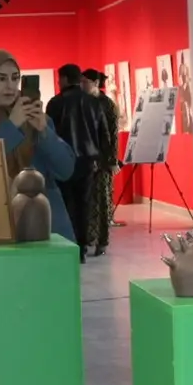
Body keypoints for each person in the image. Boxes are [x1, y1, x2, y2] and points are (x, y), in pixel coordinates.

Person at [0, 49, 76, 243]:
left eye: (15, 78)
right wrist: (11, 126)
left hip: (46, 226)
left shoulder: (36, 119)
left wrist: (44, 132)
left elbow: (66, 170)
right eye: (1, 79)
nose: (10, 86)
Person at [45, 63, 107, 259]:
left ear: (63, 79)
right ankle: (81, 247)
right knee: (84, 205)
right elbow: (103, 133)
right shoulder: (93, 103)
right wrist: (101, 159)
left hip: (63, 159)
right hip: (88, 161)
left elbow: (49, 135)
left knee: (65, 204)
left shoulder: (56, 103)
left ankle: (67, 246)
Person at [81, 68, 119, 256]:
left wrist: (112, 160)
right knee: (87, 201)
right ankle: (88, 238)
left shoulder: (107, 105)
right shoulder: (83, 102)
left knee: (103, 201)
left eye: (85, 82)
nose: (82, 85)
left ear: (96, 83)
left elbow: (112, 135)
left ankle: (102, 241)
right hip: (86, 158)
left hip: (102, 161)